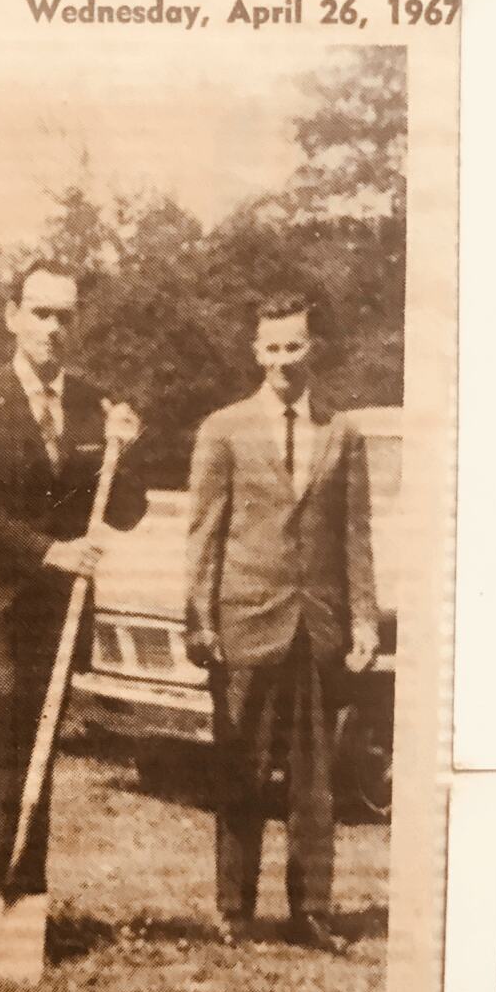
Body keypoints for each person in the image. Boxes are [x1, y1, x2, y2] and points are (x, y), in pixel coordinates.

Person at [0, 261, 146, 973]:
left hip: (55, 611)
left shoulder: (94, 405)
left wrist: (126, 449)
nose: (53, 328)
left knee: (40, 738)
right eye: (40, 312)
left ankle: (25, 888)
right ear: (11, 315)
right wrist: (52, 552)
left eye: (64, 316)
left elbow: (124, 510)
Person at [185, 292, 379, 954]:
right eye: (270, 348)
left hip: (317, 629)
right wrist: (201, 622)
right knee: (239, 771)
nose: (282, 361)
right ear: (254, 350)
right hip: (245, 625)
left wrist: (363, 622)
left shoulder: (343, 431)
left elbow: (356, 535)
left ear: (312, 347)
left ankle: (312, 912)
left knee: (315, 785)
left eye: (293, 346)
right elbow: (204, 535)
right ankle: (233, 913)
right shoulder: (224, 429)